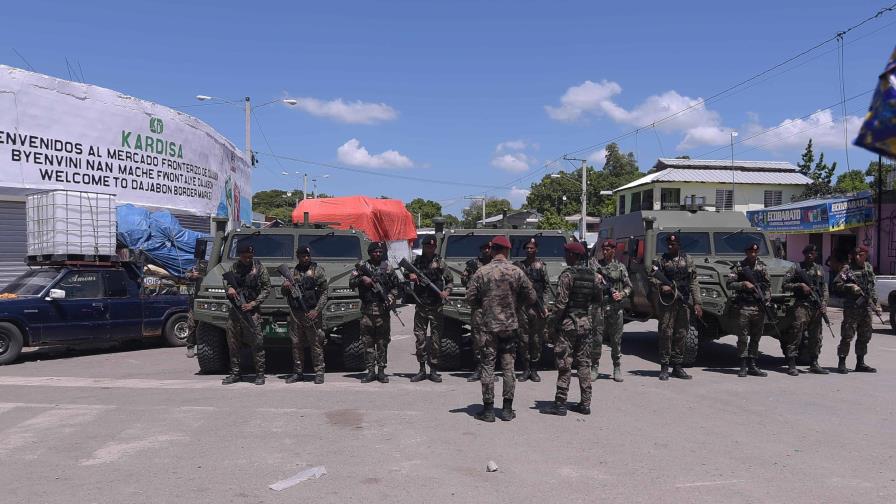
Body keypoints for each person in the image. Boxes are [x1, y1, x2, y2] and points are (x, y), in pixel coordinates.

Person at [466, 235, 536, 422]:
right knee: (508, 367)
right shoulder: (516, 271)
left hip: (488, 326)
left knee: (488, 366)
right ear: (507, 250)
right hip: (510, 326)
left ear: (493, 249)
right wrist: (515, 304)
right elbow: (531, 296)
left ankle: (488, 410)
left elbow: (470, 298)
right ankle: (507, 409)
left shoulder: (482, 272)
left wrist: (485, 304)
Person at [543, 242, 599, 416]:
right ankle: (585, 403)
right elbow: (598, 300)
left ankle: (560, 404)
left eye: (567, 253)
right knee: (584, 363)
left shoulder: (567, 275)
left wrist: (551, 324)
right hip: (586, 324)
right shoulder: (594, 276)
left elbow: (560, 304)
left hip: (568, 324)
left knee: (564, 364)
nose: (565, 256)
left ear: (574, 255)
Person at [649, 234, 702, 381]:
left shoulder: (688, 259)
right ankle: (664, 366)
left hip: (683, 301)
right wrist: (661, 285)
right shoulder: (661, 260)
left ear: (679, 244)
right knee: (666, 332)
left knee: (681, 333)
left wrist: (697, 303)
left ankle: (677, 366)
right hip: (667, 302)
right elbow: (652, 277)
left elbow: (693, 282)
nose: (670, 246)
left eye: (673, 244)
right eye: (668, 244)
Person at [350, 241, 401, 384]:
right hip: (367, 311)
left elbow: (397, 286)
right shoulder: (362, 266)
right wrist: (362, 279)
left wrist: (390, 297)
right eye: (375, 252)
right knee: (367, 342)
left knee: (382, 342)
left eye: (380, 252)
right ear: (370, 253)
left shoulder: (387, 267)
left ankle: (381, 371)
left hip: (382, 311)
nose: (378, 254)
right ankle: (370, 371)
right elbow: (351, 282)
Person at [222, 241, 271, 385]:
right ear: (239, 256)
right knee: (233, 343)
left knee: (257, 343)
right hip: (235, 312)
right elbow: (227, 283)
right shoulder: (234, 267)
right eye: (245, 256)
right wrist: (229, 289)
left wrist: (253, 304)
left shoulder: (259, 268)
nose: (248, 259)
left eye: (250, 256)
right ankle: (235, 373)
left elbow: (267, 288)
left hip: (252, 312)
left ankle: (260, 374)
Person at [406, 236, 453, 383]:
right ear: (424, 246)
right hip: (421, 305)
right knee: (420, 339)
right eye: (427, 246)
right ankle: (421, 370)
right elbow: (406, 274)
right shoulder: (417, 262)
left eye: (432, 246)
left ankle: (433, 370)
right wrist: (410, 276)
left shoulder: (440, 262)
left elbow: (450, 280)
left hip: (436, 305)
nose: (430, 248)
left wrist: (447, 292)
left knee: (435, 340)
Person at [281, 245, 329, 384]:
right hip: (296, 314)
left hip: (312, 313)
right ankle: (298, 372)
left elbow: (325, 292)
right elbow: (284, 293)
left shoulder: (317, 271)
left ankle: (319, 372)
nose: (306, 258)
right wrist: (285, 287)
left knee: (316, 344)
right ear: (298, 257)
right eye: (303, 256)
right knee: (296, 344)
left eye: (308, 256)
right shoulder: (292, 272)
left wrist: (317, 310)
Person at [781, 244, 829, 375]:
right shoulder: (796, 268)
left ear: (816, 255)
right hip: (802, 305)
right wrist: (800, 285)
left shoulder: (819, 269)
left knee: (816, 336)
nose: (809, 255)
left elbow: (824, 288)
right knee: (796, 334)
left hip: (816, 306)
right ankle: (791, 364)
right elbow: (785, 285)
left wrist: (824, 303)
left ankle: (814, 362)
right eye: (807, 252)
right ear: (804, 253)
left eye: (812, 253)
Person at [832, 246, 881, 374]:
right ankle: (842, 362)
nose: (857, 257)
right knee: (847, 335)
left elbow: (872, 288)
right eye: (856, 254)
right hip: (852, 307)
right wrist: (850, 287)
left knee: (865, 335)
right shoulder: (847, 269)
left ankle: (860, 362)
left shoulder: (868, 268)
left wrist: (877, 304)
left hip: (866, 307)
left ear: (866, 255)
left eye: (861, 254)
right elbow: (836, 284)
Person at [590, 239, 632, 383]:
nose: (605, 251)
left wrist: (621, 294)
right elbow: (588, 278)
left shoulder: (620, 267)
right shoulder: (596, 265)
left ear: (614, 250)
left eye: (608, 249)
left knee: (616, 340)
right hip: (599, 307)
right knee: (596, 339)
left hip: (615, 308)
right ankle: (594, 367)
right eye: (604, 249)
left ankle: (617, 367)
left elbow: (629, 286)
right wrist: (596, 277)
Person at [726, 242, 770, 378]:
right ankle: (743, 365)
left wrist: (766, 300)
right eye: (750, 252)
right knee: (743, 337)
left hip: (759, 306)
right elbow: (729, 284)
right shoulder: (739, 267)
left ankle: (753, 364)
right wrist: (743, 284)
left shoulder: (762, 267)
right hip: (744, 306)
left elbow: (767, 286)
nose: (753, 254)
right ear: (746, 252)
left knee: (756, 337)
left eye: (755, 252)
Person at [512, 238, 548, 382]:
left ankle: (534, 369)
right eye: (527, 248)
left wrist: (545, 306)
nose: (529, 250)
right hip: (522, 307)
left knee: (536, 339)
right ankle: (526, 369)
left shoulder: (541, 266)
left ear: (536, 249)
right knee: (523, 339)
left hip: (537, 307)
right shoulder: (518, 266)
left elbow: (546, 288)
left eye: (532, 248)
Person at [462, 240, 492, 383]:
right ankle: (478, 368)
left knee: (492, 339)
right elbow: (464, 280)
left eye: (489, 249)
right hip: (478, 307)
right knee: (477, 338)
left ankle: (489, 369)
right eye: (484, 248)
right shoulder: (473, 264)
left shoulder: (496, 265)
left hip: (493, 307)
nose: (487, 251)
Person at [184, 267, 202, 358]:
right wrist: (192, 275)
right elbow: (185, 275)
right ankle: (190, 347)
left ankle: (202, 349)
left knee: (203, 327)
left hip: (207, 300)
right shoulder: (196, 266)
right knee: (192, 325)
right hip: (195, 302)